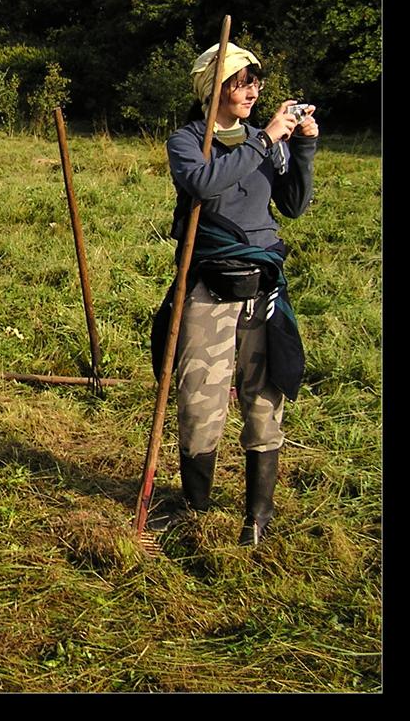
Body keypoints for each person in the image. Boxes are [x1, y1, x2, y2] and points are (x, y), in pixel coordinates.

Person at [158, 41, 318, 545]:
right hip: (209, 285)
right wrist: (266, 139)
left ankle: (258, 516)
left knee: (265, 398)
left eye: (255, 84)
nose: (252, 93)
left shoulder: (264, 141)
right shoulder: (188, 141)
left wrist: (303, 146)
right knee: (200, 400)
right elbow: (205, 184)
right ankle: (197, 509)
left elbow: (293, 205)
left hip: (263, 286)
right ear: (214, 90)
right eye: (241, 84)